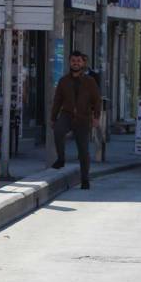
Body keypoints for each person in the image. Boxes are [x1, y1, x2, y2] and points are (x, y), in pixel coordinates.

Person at [51, 51, 102, 189]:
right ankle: (61, 159)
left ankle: (85, 179)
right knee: (58, 131)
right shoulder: (63, 81)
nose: (76, 63)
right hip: (67, 114)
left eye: (78, 61)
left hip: (83, 117)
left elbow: (97, 101)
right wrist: (53, 117)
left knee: (83, 150)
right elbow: (57, 100)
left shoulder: (90, 81)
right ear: (69, 62)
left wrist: (96, 117)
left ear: (83, 63)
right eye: (73, 60)